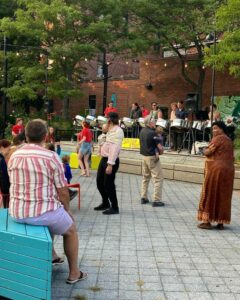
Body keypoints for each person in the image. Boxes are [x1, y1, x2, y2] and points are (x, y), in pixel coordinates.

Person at [8, 119, 87, 284]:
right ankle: (74, 273)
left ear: (26, 135)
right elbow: (62, 191)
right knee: (70, 229)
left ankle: (52, 256)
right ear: (45, 136)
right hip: (41, 212)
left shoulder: (14, 154)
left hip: (16, 211)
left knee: (50, 216)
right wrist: (68, 210)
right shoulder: (51, 157)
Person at [197, 121, 234, 230]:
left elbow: (209, 152)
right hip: (228, 171)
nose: (214, 131)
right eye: (213, 129)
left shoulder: (218, 138)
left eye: (216, 128)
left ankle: (207, 221)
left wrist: (204, 150)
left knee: (211, 193)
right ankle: (220, 222)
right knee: (223, 195)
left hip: (216, 170)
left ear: (222, 129)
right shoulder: (228, 140)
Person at [94, 112, 124, 215]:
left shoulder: (118, 131)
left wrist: (110, 164)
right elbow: (104, 142)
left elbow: (115, 148)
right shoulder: (109, 130)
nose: (105, 121)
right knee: (99, 182)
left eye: (106, 119)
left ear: (110, 120)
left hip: (111, 160)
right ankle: (105, 202)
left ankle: (115, 207)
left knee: (108, 184)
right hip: (104, 159)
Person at [139, 116, 164, 207]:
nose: (155, 122)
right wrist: (161, 151)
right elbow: (160, 147)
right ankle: (157, 200)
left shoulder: (142, 131)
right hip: (152, 158)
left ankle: (143, 197)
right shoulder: (153, 133)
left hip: (144, 157)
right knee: (158, 179)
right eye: (154, 121)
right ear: (150, 123)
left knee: (145, 178)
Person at [0, 139, 11, 208]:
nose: (8, 152)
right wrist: (7, 191)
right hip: (4, 191)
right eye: (8, 149)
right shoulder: (1, 160)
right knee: (5, 208)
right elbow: (3, 176)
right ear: (2, 148)